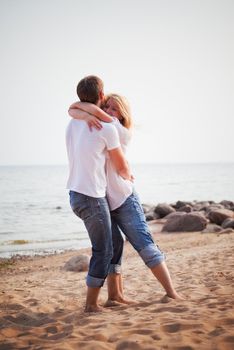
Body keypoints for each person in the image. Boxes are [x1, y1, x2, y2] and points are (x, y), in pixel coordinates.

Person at [68, 90, 184, 306]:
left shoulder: (117, 129)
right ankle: (114, 296)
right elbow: (75, 108)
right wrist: (85, 115)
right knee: (114, 245)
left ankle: (171, 292)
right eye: (107, 107)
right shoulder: (99, 125)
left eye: (115, 109)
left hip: (123, 197)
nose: (110, 112)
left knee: (144, 244)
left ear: (122, 115)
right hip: (102, 199)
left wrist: (86, 113)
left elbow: (75, 107)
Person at [66, 75, 132, 312]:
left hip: (76, 193)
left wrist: (82, 111)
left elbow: (73, 110)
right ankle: (91, 304)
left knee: (115, 240)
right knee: (103, 249)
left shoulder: (73, 122)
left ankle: (114, 295)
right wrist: (128, 177)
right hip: (91, 197)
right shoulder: (106, 128)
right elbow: (121, 165)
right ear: (101, 96)